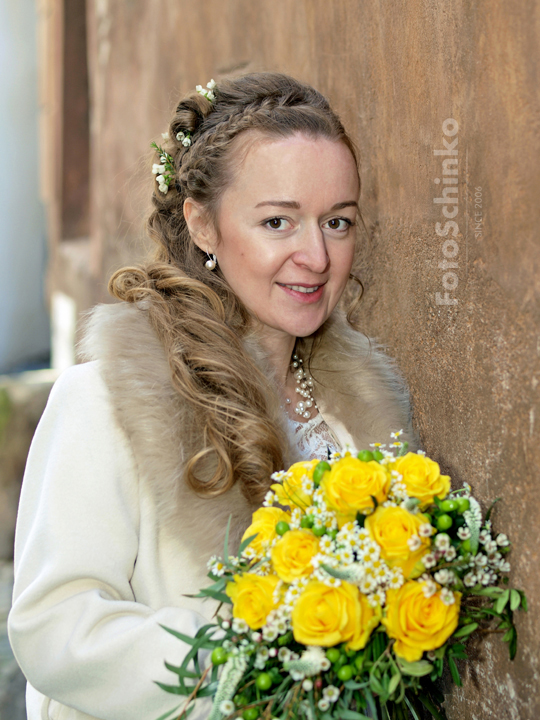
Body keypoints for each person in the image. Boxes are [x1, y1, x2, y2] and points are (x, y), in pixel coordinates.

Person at [8, 72, 419, 720]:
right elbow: (53, 628)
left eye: (337, 222)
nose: (315, 255)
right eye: (278, 221)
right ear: (202, 225)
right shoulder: (104, 401)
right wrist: (254, 670)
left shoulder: (363, 416)